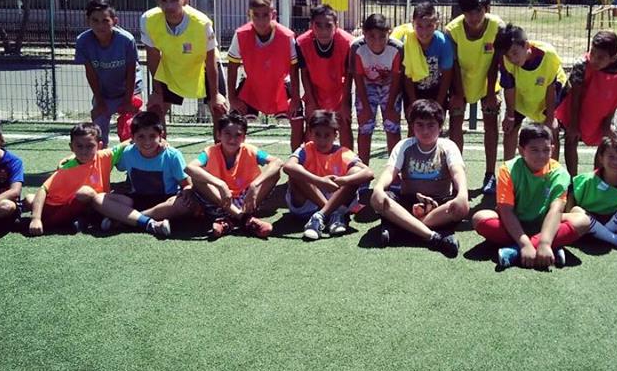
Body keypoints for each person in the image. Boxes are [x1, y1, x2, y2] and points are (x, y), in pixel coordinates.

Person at [472, 121, 589, 269]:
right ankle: (544, 246)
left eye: (546, 150)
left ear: (553, 149)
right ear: (521, 150)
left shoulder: (560, 174)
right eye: (534, 150)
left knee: (583, 221)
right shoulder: (508, 169)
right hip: (514, 223)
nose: (541, 155)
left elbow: (556, 211)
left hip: (545, 224)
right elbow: (506, 211)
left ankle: (516, 250)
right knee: (479, 218)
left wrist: (545, 242)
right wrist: (524, 244)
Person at [370, 98, 468, 258]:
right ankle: (434, 236)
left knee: (460, 207)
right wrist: (379, 188)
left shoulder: (448, 146)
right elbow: (390, 171)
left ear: (440, 127)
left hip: (438, 205)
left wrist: (462, 193)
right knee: (379, 198)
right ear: (412, 126)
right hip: (408, 202)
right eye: (420, 125)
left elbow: (457, 171)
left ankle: (403, 226)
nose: (425, 131)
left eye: (431, 125)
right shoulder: (404, 145)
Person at [140, 0, 228, 126]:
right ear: (157, 2)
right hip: (170, 67)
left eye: (174, 0)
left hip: (202, 66)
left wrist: (215, 95)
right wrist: (157, 92)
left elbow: (210, 59)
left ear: (184, 0)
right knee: (156, 109)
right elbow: (153, 57)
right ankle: (160, 142)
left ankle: (221, 142)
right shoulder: (148, 20)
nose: (169, 6)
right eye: (163, 0)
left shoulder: (202, 23)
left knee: (220, 111)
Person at [92, 110, 193, 237]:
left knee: (184, 205)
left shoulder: (172, 155)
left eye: (152, 136)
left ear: (161, 135)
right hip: (136, 200)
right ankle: (149, 222)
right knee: (98, 199)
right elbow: (112, 161)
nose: (147, 142)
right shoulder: (127, 153)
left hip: (165, 200)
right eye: (141, 136)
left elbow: (187, 184)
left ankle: (128, 220)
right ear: (133, 137)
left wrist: (187, 192)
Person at [185, 111, 283, 239]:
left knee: (274, 174)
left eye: (238, 135)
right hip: (219, 200)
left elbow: (277, 162)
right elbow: (190, 167)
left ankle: (229, 221)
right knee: (197, 179)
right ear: (218, 134)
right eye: (227, 134)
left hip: (246, 200)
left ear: (244, 137)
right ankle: (244, 218)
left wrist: (255, 185)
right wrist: (220, 184)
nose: (232, 139)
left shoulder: (250, 150)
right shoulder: (210, 152)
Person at [445, 0, 504, 195]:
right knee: (455, 125)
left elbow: (496, 62)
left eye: (478, 11)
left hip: (487, 81)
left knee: (491, 124)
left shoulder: (497, 26)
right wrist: (458, 94)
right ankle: (456, 175)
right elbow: (453, 64)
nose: (474, 17)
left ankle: (490, 175)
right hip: (460, 81)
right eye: (468, 12)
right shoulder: (452, 30)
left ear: (486, 8)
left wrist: (491, 93)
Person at [226, 0, 302, 151]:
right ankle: (233, 159)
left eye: (265, 15)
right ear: (249, 14)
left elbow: (294, 70)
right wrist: (232, 98)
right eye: (256, 15)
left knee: (298, 118)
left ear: (273, 14)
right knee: (230, 123)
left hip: (281, 87)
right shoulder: (240, 35)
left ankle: (296, 161)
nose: (261, 20)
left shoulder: (287, 36)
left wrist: (295, 98)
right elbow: (232, 67)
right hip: (251, 88)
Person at [556, 30, 617, 175]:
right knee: (571, 137)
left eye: (600, 57)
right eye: (592, 53)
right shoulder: (581, 65)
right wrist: (573, 124)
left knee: (604, 141)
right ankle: (573, 179)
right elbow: (575, 96)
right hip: (575, 109)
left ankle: (597, 177)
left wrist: (607, 122)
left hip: (601, 111)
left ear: (613, 58)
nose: (594, 59)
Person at [283, 110, 374, 241]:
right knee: (295, 172)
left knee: (355, 172)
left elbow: (369, 173)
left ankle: (320, 216)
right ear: (310, 133)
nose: (322, 140)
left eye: (327, 135)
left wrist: (343, 180)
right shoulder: (305, 150)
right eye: (317, 135)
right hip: (307, 205)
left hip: (336, 201)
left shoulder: (344, 153)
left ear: (335, 135)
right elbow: (288, 166)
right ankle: (331, 214)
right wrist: (319, 181)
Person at [25, 122, 120, 235]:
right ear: (71, 147)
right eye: (79, 146)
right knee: (30, 199)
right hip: (62, 207)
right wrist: (36, 218)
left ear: (99, 146)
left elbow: (126, 144)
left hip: (90, 204)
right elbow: (43, 189)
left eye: (89, 146)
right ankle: (90, 219)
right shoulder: (67, 168)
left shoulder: (105, 156)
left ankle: (86, 219)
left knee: (89, 193)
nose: (84, 151)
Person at [74, 0, 143, 145]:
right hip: (104, 93)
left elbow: (131, 71)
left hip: (129, 90)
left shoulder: (126, 40)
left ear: (114, 21)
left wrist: (127, 101)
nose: (100, 26)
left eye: (105, 20)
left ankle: (131, 157)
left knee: (130, 129)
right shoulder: (83, 41)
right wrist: (99, 101)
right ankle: (101, 154)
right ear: (88, 21)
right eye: (95, 20)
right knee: (98, 127)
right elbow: (90, 73)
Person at [494, 23, 567, 161]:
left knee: (552, 132)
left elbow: (551, 88)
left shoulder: (548, 55)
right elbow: (509, 88)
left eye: (515, 53)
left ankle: (552, 170)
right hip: (522, 96)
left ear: (526, 45)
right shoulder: (506, 60)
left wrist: (550, 119)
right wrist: (510, 116)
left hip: (547, 97)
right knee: (510, 129)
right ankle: (508, 169)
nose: (512, 59)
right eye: (508, 55)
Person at [297, 4, 355, 149]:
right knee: (312, 125)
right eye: (318, 25)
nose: (323, 30)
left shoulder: (348, 43)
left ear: (336, 25)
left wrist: (345, 103)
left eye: (328, 25)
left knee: (344, 123)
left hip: (339, 92)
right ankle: (308, 159)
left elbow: (349, 75)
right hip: (315, 91)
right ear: (311, 25)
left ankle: (348, 159)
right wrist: (310, 101)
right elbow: (304, 73)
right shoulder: (302, 43)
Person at [350, 12, 403, 165]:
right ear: (364, 33)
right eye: (371, 36)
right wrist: (366, 107)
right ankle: (363, 169)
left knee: (392, 126)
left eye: (382, 36)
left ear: (389, 33)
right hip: (367, 85)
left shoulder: (397, 48)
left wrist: (390, 106)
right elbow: (358, 78)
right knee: (365, 127)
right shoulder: (357, 47)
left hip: (389, 85)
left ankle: (394, 170)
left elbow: (396, 78)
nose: (377, 41)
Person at [394, 1, 454, 118]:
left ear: (436, 24)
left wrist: (439, 102)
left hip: (435, 89)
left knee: (435, 122)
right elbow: (407, 75)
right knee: (414, 123)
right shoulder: (406, 43)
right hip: (412, 89)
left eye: (429, 26)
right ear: (413, 24)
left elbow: (447, 75)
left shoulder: (443, 43)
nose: (424, 32)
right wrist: (413, 101)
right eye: (419, 26)